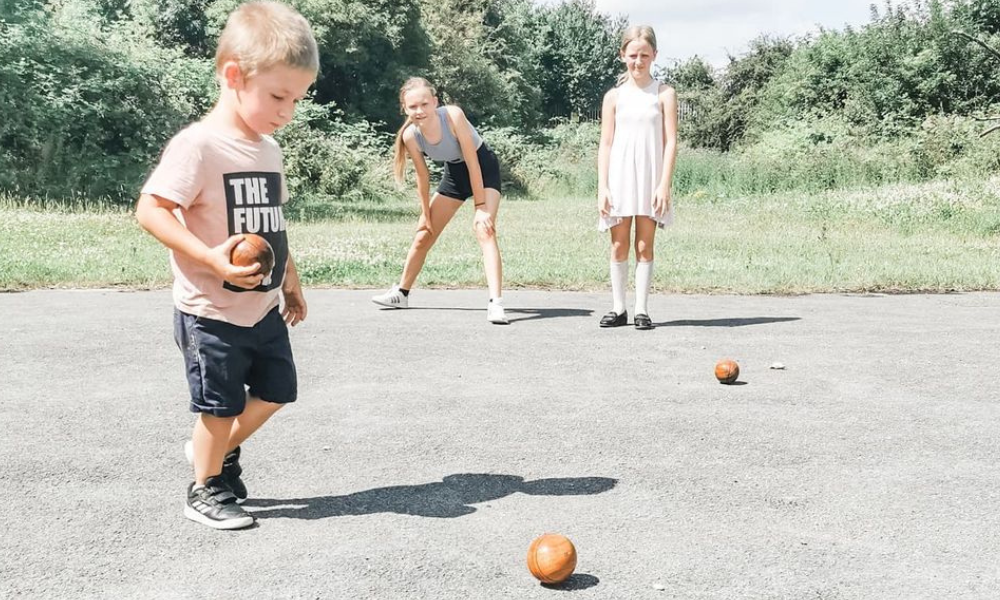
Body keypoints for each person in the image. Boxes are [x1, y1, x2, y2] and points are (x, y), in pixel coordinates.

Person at [135, 1, 318, 530]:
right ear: (234, 76)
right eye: (278, 96)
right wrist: (208, 257)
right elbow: (151, 209)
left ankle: (210, 451)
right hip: (210, 312)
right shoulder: (199, 146)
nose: (287, 111)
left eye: (297, 99)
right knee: (218, 408)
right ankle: (204, 488)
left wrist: (291, 280)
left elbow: (272, 224)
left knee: (278, 391)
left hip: (261, 308)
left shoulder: (269, 150)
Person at [371, 77, 508, 324]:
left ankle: (495, 303)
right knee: (423, 235)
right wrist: (425, 215)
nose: (419, 110)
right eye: (413, 106)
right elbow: (423, 177)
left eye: (424, 104)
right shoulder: (411, 136)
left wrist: (480, 207)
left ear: (435, 102)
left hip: (483, 168)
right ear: (405, 108)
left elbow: (472, 161)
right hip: (454, 175)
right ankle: (401, 294)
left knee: (485, 230)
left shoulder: (453, 116)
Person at [597, 25, 678, 330]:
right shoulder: (613, 97)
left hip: (650, 178)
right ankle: (618, 308)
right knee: (618, 245)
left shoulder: (664, 94)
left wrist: (664, 184)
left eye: (644, 55)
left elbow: (670, 142)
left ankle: (641, 309)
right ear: (623, 55)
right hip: (619, 178)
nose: (638, 61)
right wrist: (603, 186)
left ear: (654, 55)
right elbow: (606, 143)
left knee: (644, 245)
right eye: (633, 55)